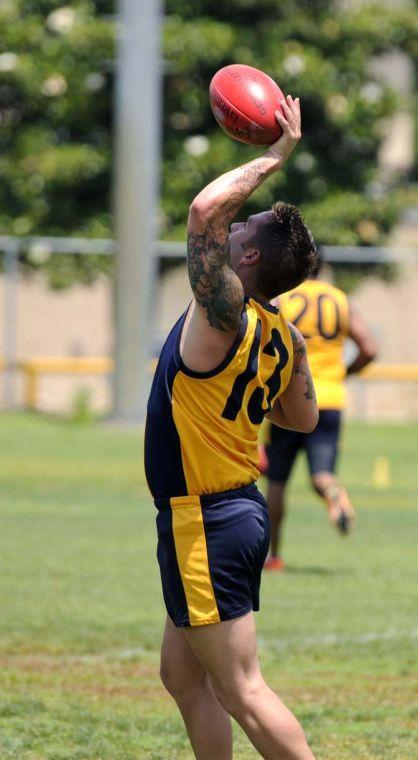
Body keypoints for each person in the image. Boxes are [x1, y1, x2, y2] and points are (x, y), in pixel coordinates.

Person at [145, 95, 319, 760]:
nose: (232, 229)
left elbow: (200, 212)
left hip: (204, 519)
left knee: (242, 687)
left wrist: (273, 157)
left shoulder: (224, 313)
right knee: (184, 675)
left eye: (241, 232)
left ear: (246, 263)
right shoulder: (284, 338)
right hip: (236, 511)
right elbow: (301, 417)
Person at [262, 253, 378, 572]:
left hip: (288, 399)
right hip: (329, 398)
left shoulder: (282, 300)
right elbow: (369, 348)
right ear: (323, 267)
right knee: (321, 474)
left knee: (276, 481)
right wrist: (345, 373)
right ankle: (333, 493)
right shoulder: (340, 300)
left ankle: (273, 555)